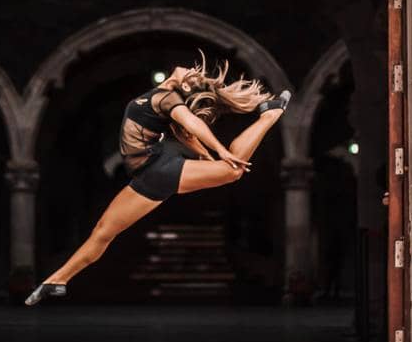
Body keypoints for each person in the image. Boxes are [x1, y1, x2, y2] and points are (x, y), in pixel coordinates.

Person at [25, 52, 290, 305]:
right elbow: (189, 137)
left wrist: (221, 154)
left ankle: (269, 114)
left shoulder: (168, 97)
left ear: (184, 84)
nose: (189, 70)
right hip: (147, 178)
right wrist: (212, 162)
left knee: (233, 171)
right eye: (192, 72)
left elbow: (193, 125)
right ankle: (57, 279)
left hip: (159, 168)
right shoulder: (160, 99)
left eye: (193, 75)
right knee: (102, 232)